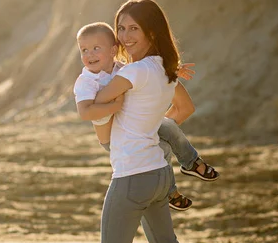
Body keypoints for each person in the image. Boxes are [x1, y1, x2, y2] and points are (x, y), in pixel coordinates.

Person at [76, 0, 223, 243]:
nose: (125, 35)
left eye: (132, 29)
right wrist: (148, 125)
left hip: (131, 178)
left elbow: (100, 109)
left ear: (151, 32)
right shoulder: (164, 70)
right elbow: (184, 112)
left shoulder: (134, 72)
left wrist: (117, 118)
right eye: (121, 28)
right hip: (159, 174)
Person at [73, 22, 219, 211]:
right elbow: (85, 112)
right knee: (162, 149)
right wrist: (113, 105)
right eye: (84, 50)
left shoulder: (123, 69)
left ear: (113, 51)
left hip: (134, 127)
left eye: (96, 48)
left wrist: (172, 71)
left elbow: (148, 74)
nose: (89, 55)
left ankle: (190, 162)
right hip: (113, 138)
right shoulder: (87, 81)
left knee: (168, 128)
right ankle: (171, 192)